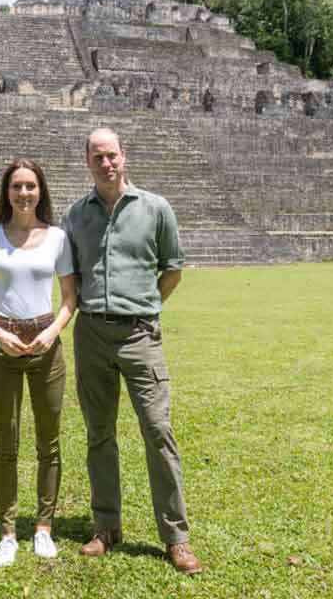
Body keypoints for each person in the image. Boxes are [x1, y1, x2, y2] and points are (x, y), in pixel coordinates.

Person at [62, 127, 204, 575]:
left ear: (124, 156)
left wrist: (145, 308)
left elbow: (173, 269)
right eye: (97, 157)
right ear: (88, 162)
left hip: (141, 335)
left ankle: (176, 537)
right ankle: (106, 527)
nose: (106, 163)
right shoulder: (75, 215)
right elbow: (72, 277)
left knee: (158, 431)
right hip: (91, 334)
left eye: (112, 155)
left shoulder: (156, 208)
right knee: (98, 434)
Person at [0, 159, 78, 567]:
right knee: (5, 444)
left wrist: (52, 332)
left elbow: (69, 297)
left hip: (47, 343)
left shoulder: (57, 238)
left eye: (31, 186)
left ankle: (43, 527)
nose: (24, 193)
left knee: (49, 442)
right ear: (6, 192)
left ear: (41, 191)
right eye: (17, 187)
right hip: (4, 344)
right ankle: (8, 533)